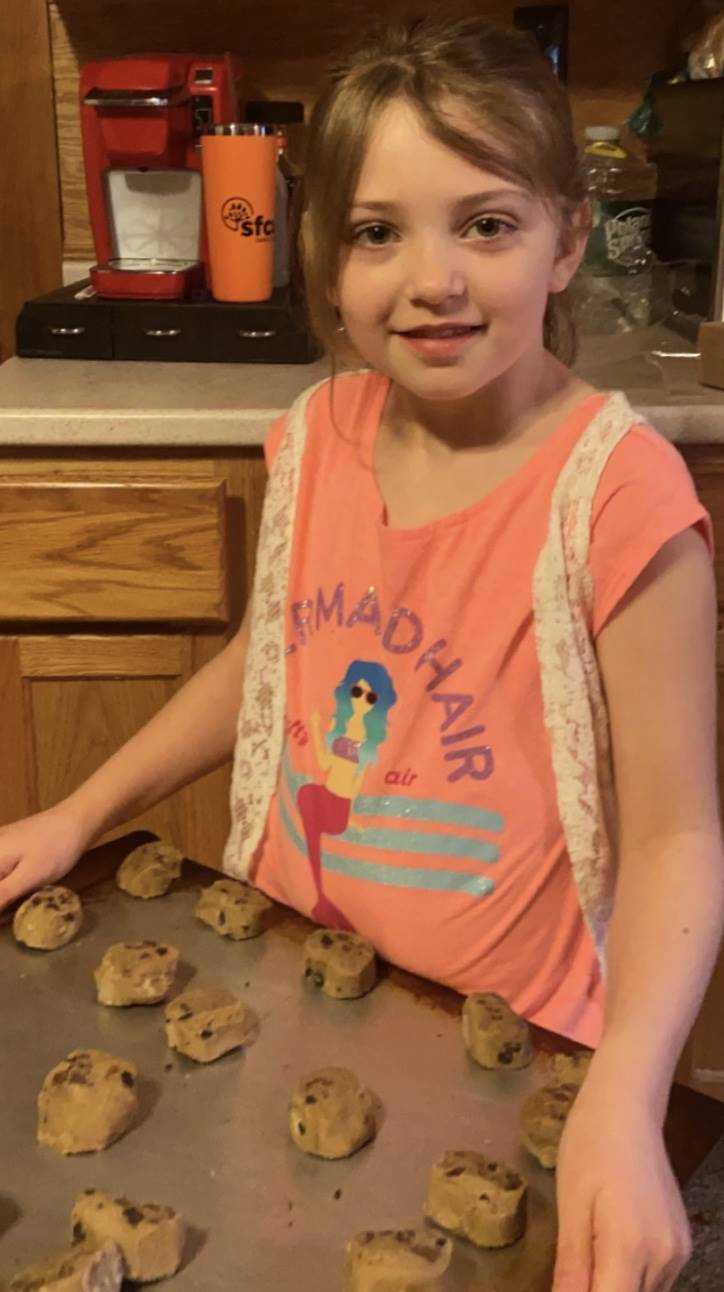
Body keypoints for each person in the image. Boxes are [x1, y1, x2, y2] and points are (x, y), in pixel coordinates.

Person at [1, 15, 722, 1291]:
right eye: (378, 230)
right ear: (323, 261)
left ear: (565, 235)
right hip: (286, 983)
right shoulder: (314, 434)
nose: (430, 277)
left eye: (485, 224)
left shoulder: (615, 493)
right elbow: (264, 660)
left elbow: (676, 833)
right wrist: (80, 809)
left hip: (500, 1048)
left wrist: (630, 1085)